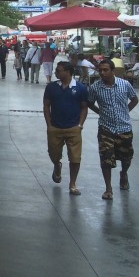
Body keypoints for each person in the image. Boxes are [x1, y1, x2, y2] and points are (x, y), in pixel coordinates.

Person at [87, 59, 139, 201]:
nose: (102, 73)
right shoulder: (95, 87)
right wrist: (100, 112)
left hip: (124, 128)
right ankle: (108, 188)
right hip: (106, 128)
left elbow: (134, 99)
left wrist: (126, 111)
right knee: (106, 158)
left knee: (126, 157)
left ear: (112, 70)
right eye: (100, 70)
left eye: (105, 70)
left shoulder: (124, 84)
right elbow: (89, 102)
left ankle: (124, 173)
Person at [42, 60, 88, 195]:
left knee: (75, 157)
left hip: (73, 127)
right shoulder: (51, 87)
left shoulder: (80, 88)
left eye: (58, 70)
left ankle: (72, 183)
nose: (56, 72)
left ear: (67, 72)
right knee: (53, 153)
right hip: (55, 127)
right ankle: (57, 165)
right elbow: (46, 105)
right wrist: (49, 124)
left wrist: (80, 125)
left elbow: (84, 107)